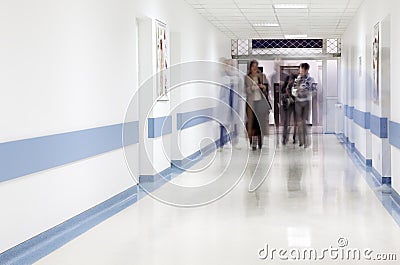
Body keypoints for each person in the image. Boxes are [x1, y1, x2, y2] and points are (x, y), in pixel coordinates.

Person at [245, 60, 270, 150]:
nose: (255, 68)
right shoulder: (247, 78)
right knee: (253, 124)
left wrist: (264, 87)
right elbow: (246, 90)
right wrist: (253, 87)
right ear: (250, 68)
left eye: (256, 66)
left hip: (260, 102)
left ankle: (260, 141)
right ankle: (253, 142)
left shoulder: (262, 76)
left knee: (261, 123)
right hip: (252, 103)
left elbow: (267, 87)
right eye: (253, 66)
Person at [292, 63, 316, 148]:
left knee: (304, 122)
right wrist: (297, 90)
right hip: (298, 102)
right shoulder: (297, 79)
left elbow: (314, 91)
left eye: (302, 69)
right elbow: (293, 91)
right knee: (299, 122)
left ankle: (306, 141)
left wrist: (306, 91)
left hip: (306, 102)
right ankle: (301, 141)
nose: (300, 71)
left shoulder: (311, 79)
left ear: (306, 70)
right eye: (300, 69)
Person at [281, 74, 297, 145]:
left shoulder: (297, 84)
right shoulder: (287, 84)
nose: (291, 81)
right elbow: (282, 91)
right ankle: (284, 137)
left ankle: (294, 137)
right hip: (288, 104)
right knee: (286, 121)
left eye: (292, 79)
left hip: (296, 103)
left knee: (295, 121)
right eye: (290, 79)